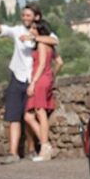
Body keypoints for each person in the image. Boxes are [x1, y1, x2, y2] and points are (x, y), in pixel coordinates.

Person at [0, 3, 58, 164]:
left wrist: (33, 37)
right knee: (14, 116)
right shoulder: (17, 31)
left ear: (37, 17)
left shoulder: (42, 33)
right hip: (17, 77)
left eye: (28, 15)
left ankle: (36, 148)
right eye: (23, 15)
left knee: (29, 116)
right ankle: (13, 153)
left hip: (33, 80)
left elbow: (55, 41)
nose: (25, 18)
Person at [23, 21, 57, 162]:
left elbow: (42, 65)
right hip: (45, 79)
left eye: (33, 28)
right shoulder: (48, 44)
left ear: (39, 30)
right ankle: (46, 145)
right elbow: (59, 62)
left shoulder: (42, 45)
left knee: (39, 112)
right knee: (29, 116)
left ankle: (45, 149)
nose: (30, 29)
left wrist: (33, 83)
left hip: (40, 79)